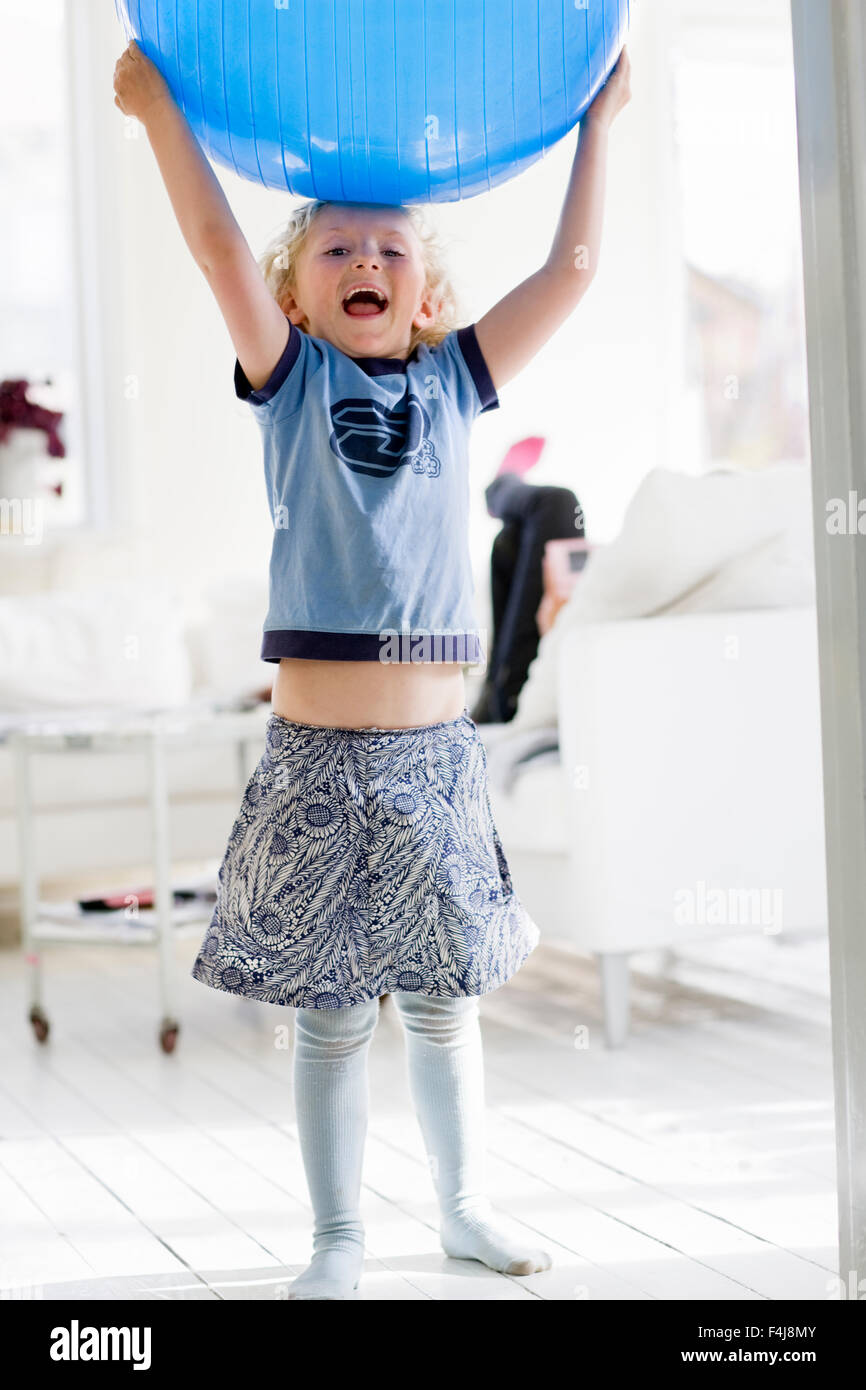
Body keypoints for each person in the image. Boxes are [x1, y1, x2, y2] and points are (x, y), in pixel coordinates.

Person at [113, 39, 631, 1301]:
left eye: (392, 252)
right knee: (334, 1015)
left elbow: (571, 268)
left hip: (433, 762)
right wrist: (156, 112)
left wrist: (598, 124)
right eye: (337, 250)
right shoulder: (288, 382)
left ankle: (462, 1208)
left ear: (425, 295)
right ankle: (336, 1240)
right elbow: (218, 246)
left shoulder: (456, 385)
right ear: (298, 297)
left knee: (445, 1004)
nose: (367, 263)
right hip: (313, 765)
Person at [472, 448, 585, 723]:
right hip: (515, 686)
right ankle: (489, 695)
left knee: (557, 503)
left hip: (517, 696)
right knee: (511, 539)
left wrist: (557, 626)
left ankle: (501, 486)